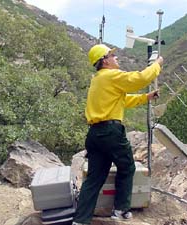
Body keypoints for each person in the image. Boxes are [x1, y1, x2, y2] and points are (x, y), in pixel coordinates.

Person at [72, 44, 164, 225]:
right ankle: (120, 210)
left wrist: (146, 97)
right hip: (111, 132)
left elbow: (123, 100)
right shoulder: (111, 75)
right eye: (113, 56)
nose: (116, 58)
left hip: (95, 134)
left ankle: (80, 220)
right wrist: (158, 64)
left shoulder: (98, 80)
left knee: (94, 178)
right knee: (127, 166)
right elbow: (140, 78)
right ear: (104, 60)